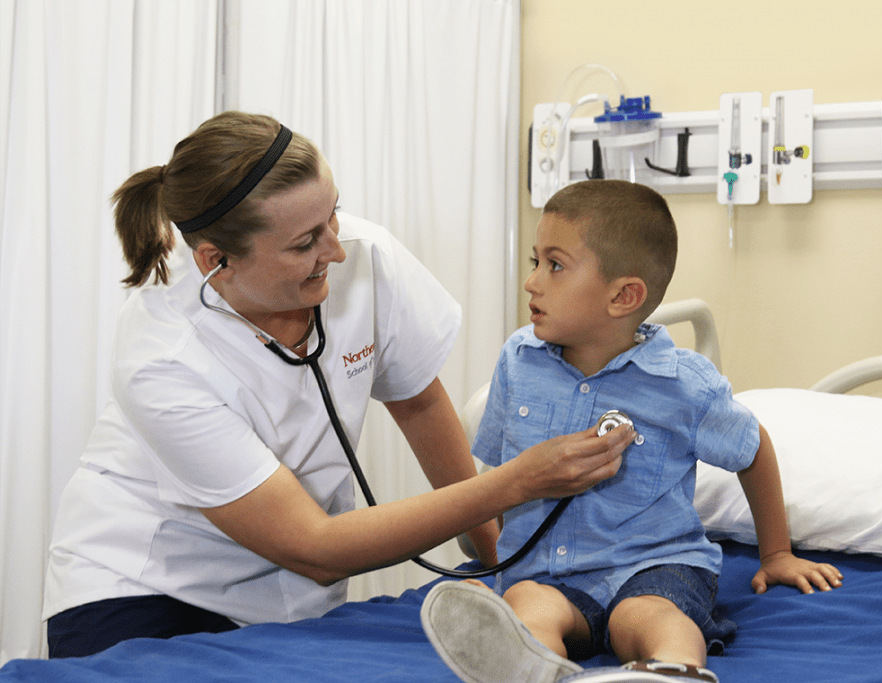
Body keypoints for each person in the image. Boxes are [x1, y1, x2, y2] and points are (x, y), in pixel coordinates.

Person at [43, 112, 635, 659]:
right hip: (144, 587)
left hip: (289, 594)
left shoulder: (364, 252)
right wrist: (516, 482)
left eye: (333, 215)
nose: (337, 249)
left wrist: (500, 562)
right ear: (215, 261)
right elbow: (315, 549)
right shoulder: (163, 357)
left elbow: (418, 400)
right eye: (305, 243)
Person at [420, 180, 844, 683]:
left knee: (651, 617)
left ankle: (670, 670)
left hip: (655, 566)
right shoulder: (519, 360)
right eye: (535, 261)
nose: (532, 282)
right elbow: (500, 477)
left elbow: (752, 450)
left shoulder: (684, 385)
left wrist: (776, 553)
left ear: (624, 296)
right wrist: (498, 563)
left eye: (554, 265)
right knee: (527, 605)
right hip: (548, 574)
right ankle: (533, 667)